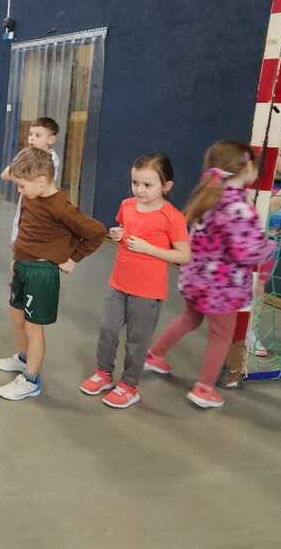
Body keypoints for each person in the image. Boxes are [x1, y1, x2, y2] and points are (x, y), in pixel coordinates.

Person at [144, 141, 276, 409]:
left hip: (195, 280)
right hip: (221, 289)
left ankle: (154, 355)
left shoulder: (209, 197)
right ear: (246, 168)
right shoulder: (239, 208)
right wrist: (268, 247)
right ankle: (204, 389)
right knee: (221, 335)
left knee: (189, 318)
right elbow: (247, 251)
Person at [79, 153, 191, 408]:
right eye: (135, 183)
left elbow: (184, 256)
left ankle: (129, 385)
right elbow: (124, 230)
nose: (139, 190)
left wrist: (147, 248)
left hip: (147, 291)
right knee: (107, 330)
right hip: (119, 283)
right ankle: (104, 373)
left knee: (136, 341)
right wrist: (117, 234)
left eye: (147, 185)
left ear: (166, 186)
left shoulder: (172, 217)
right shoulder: (127, 205)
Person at [0, 147, 107, 401]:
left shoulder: (61, 206)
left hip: (41, 273)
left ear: (42, 181)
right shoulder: (30, 196)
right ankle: (23, 359)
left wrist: (74, 258)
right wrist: (17, 259)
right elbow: (25, 229)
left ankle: (31, 379)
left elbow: (97, 232)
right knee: (16, 315)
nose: (19, 191)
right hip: (22, 266)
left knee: (33, 327)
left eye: (21, 186)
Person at [222, 131, 281, 386]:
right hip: (242, 245)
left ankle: (248, 331)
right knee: (236, 287)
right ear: (271, 156)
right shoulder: (256, 179)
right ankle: (227, 327)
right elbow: (267, 208)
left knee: (258, 289)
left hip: (269, 249)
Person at [3, 117, 62, 244]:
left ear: (51, 139)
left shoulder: (52, 159)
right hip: (25, 204)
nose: (32, 138)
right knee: (17, 239)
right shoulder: (25, 155)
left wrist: (22, 172)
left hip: (41, 208)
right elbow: (5, 174)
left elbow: (39, 183)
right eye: (30, 134)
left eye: (38, 135)